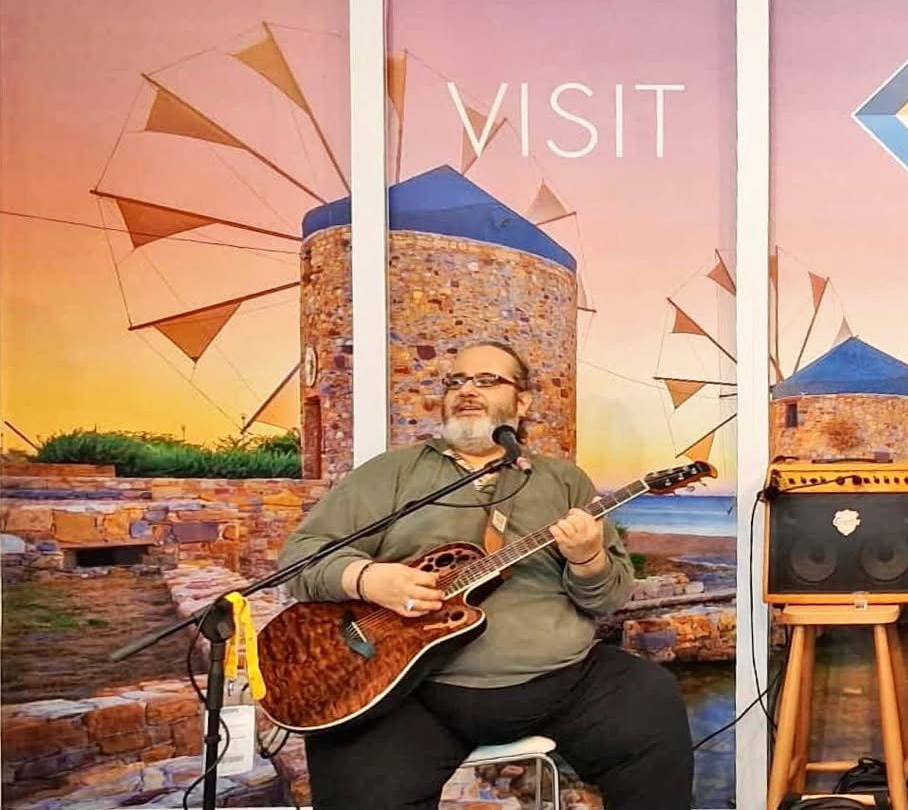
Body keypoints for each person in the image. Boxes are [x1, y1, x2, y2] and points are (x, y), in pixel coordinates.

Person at [277, 341, 693, 810]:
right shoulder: (392, 472)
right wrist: (368, 578)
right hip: (411, 690)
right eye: (456, 381)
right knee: (353, 770)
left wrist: (587, 558)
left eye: (486, 380)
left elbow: (608, 598)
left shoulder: (564, 481)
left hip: (561, 682)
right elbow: (301, 556)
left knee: (650, 698)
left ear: (522, 401)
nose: (467, 390)